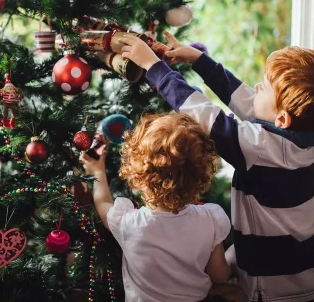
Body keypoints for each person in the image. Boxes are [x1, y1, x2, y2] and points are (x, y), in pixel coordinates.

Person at [117, 33, 314, 302]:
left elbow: (204, 114)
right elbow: (245, 100)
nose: (255, 87)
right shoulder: (306, 135)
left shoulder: (260, 148)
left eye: (263, 88)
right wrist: (199, 60)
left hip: (286, 291)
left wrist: (154, 67)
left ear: (282, 118)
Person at [80, 113, 232, 302]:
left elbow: (102, 202)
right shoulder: (211, 219)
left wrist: (96, 169)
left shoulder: (129, 223)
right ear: (200, 176)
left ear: (137, 176)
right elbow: (219, 275)